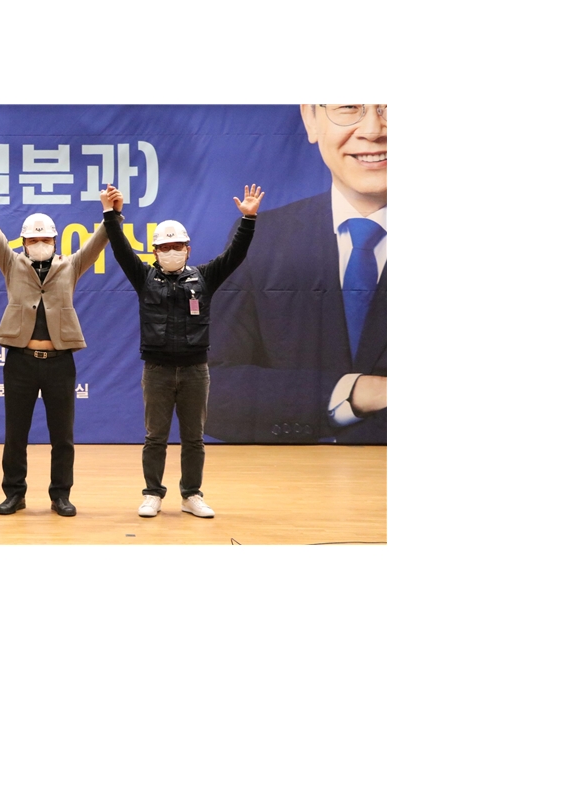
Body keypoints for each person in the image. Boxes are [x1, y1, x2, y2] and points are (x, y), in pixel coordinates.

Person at [205, 104, 387, 446]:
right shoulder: (261, 238)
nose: (373, 130)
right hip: (295, 474)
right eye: (350, 107)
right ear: (310, 118)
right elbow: (209, 388)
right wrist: (355, 392)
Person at [100, 182, 264, 517]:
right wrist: (110, 214)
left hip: (195, 371)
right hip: (157, 371)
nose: (171, 251)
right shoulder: (145, 278)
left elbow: (235, 256)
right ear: (155, 252)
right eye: (165, 247)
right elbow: (120, 249)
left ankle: (191, 495)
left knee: (194, 439)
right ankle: (152, 494)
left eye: (177, 246)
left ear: (188, 249)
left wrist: (248, 220)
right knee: (155, 438)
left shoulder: (204, 278)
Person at [0, 206, 109, 516]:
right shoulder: (11, 263)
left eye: (46, 239)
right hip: (20, 361)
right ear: (23, 243)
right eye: (33, 240)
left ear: (55, 241)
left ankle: (60, 495)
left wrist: (111, 214)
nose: (40, 244)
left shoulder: (70, 265)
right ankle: (14, 493)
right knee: (15, 434)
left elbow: (96, 244)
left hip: (59, 362)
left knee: (62, 435)